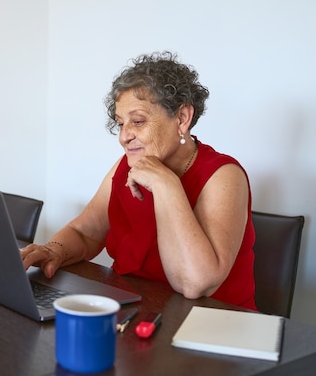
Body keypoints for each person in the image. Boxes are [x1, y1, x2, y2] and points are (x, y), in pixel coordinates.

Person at [21, 51, 256, 309]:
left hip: (211, 324)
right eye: (121, 123)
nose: (124, 136)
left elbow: (194, 284)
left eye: (138, 121)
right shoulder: (127, 165)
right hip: (139, 309)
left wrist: (166, 185)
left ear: (182, 118)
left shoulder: (224, 175)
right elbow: (85, 232)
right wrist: (55, 249)